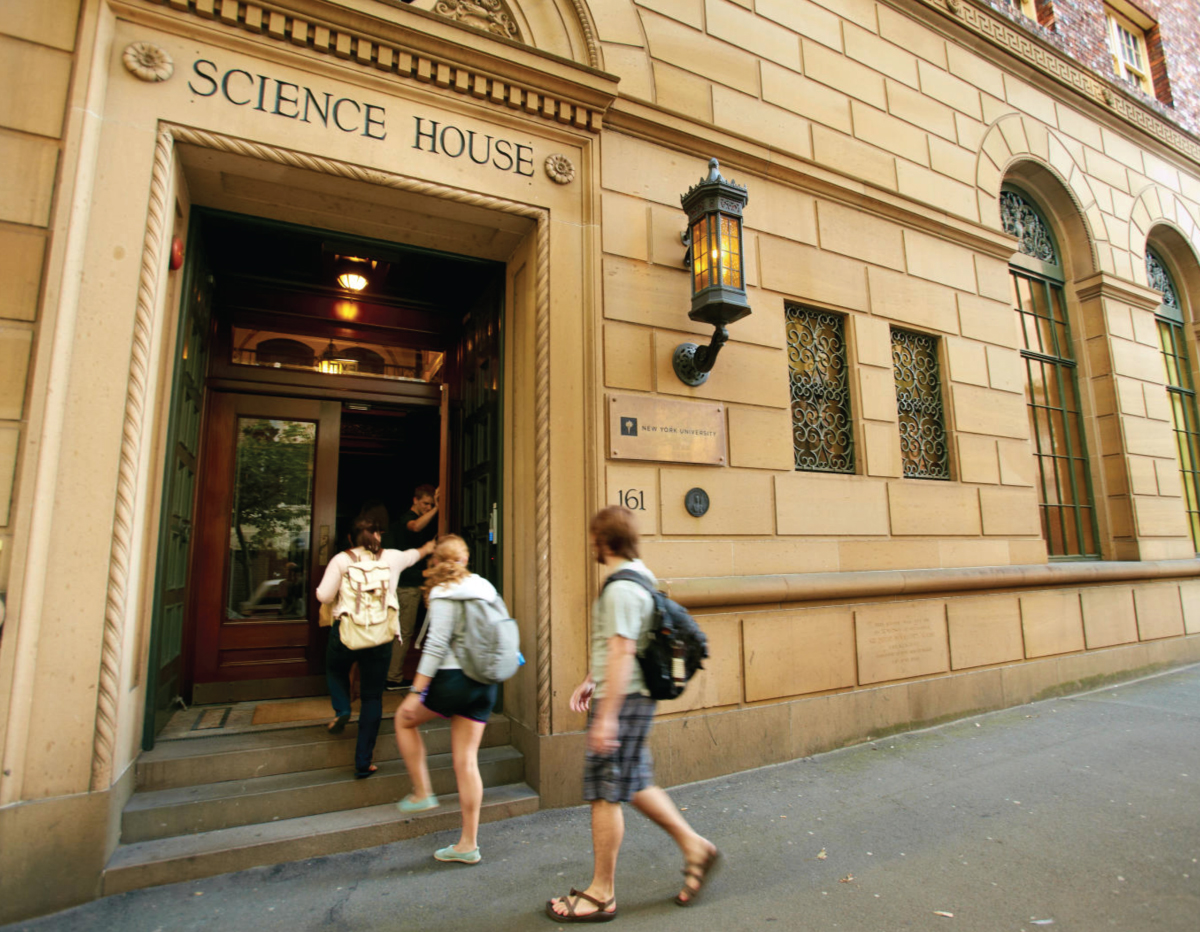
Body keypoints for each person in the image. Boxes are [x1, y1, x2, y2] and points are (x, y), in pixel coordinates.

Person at [546, 506, 720, 922]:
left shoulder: (621, 588)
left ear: (603, 541)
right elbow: (624, 644)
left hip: (622, 701)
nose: (592, 545)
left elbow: (624, 650)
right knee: (636, 783)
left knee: (606, 793)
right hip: (632, 696)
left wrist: (606, 716)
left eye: (594, 538)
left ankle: (601, 893)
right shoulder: (640, 574)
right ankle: (696, 847)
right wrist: (593, 677)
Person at [393, 534, 499, 865]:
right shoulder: (486, 587)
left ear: (437, 562)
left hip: (454, 679)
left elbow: (437, 646)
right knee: (467, 762)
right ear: (466, 561)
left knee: (403, 720)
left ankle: (422, 791)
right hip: (486, 682)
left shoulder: (442, 592)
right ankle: (468, 844)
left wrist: (414, 692)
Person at [316, 513, 435, 778]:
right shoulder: (392, 557)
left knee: (334, 669)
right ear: (379, 536)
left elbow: (323, 594)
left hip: (347, 633)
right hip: (381, 637)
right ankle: (363, 762)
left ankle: (343, 708)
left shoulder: (342, 559)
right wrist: (429, 547)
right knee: (372, 697)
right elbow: (415, 554)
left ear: (350, 538)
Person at [386, 484, 439, 690]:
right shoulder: (406, 519)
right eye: (426, 503)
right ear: (415, 500)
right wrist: (438, 508)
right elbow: (415, 526)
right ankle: (393, 677)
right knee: (403, 632)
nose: (428, 507)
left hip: (411, 582)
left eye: (431, 504)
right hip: (406, 584)